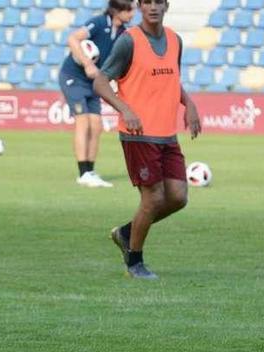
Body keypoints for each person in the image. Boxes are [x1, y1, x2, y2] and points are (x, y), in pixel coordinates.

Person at [91, 0, 201, 279]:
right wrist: (126, 110)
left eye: (158, 2)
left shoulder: (175, 40)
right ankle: (134, 263)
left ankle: (127, 232)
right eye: (147, 2)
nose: (153, 7)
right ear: (140, 7)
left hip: (167, 134)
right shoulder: (129, 42)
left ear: (167, 6)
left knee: (177, 197)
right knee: (152, 199)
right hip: (138, 136)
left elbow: (172, 80)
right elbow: (101, 81)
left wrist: (188, 104)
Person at [58, 0, 136, 188]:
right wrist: (88, 63)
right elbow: (72, 39)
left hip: (94, 83)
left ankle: (89, 171)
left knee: (96, 125)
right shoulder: (99, 22)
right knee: (83, 121)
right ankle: (83, 172)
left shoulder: (124, 32)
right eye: (130, 9)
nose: (133, 13)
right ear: (118, 11)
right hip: (73, 78)